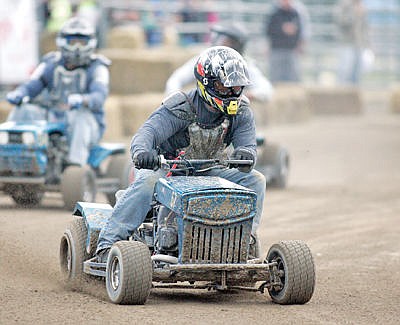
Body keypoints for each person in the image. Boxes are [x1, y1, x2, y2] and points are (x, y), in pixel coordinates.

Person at [95, 46, 266, 261]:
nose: (232, 93)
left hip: (210, 169)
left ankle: (244, 240)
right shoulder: (180, 107)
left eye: (237, 87)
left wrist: (245, 154)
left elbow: (248, 145)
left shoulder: (240, 112)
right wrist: (142, 152)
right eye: (225, 86)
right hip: (170, 170)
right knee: (147, 181)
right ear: (207, 83)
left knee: (255, 180)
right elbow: (147, 132)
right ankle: (107, 245)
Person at [6, 17, 110, 166]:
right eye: (72, 42)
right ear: (62, 42)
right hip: (52, 119)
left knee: (79, 114)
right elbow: (33, 85)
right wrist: (20, 93)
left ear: (91, 43)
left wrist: (83, 100)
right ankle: (12, 159)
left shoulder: (98, 67)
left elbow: (99, 96)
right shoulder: (50, 64)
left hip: (86, 125)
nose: (77, 48)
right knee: (24, 109)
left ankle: (75, 165)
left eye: (82, 43)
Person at [165, 22, 274, 103]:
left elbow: (266, 90)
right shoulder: (204, 60)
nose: (220, 43)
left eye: (226, 41)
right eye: (220, 39)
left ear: (236, 45)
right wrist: (176, 98)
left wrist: (248, 95)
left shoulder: (244, 65)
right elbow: (176, 79)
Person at [266, 0, 309, 83]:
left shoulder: (298, 12)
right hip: (276, 50)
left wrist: (301, 46)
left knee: (293, 79)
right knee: (275, 78)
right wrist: (282, 28)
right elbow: (268, 31)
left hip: (292, 50)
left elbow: (303, 32)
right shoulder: (274, 12)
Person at [334, 0, 370, 85]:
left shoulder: (362, 6)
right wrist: (354, 14)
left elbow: (365, 27)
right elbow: (341, 21)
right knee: (345, 71)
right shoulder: (344, 5)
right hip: (347, 43)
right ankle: (341, 93)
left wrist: (367, 43)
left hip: (359, 43)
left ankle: (354, 94)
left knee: (357, 72)